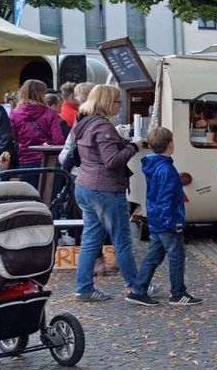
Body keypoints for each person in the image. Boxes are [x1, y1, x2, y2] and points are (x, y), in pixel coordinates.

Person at [71, 84, 152, 304]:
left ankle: (83, 288)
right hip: (105, 189)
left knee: (91, 239)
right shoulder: (102, 125)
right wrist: (133, 147)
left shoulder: (83, 121)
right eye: (117, 101)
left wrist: (122, 143)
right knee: (122, 240)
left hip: (84, 185)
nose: (119, 105)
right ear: (107, 102)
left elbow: (96, 151)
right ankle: (136, 288)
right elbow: (112, 160)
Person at [136, 128, 204, 306]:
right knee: (176, 256)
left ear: (151, 147)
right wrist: (171, 222)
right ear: (171, 145)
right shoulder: (167, 169)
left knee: (154, 255)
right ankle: (177, 293)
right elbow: (165, 199)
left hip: (155, 218)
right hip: (166, 221)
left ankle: (138, 289)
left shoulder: (152, 166)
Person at [10, 79, 66, 194]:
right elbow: (58, 140)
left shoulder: (14, 113)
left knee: (29, 199)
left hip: (26, 160)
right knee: (51, 199)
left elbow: (13, 138)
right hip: (50, 161)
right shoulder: (50, 112)